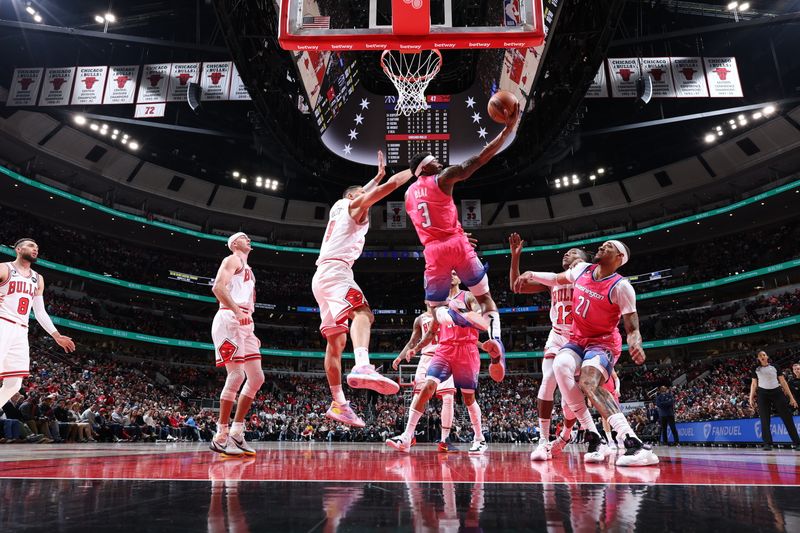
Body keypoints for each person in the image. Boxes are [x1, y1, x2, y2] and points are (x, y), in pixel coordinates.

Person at [405, 103, 520, 383]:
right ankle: (494, 339)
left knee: (434, 311)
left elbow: (428, 221)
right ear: (425, 168)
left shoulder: (408, 195)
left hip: (433, 251)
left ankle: (455, 316)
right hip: (457, 244)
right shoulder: (441, 178)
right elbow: (478, 160)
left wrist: (446, 234)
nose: (440, 163)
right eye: (435, 161)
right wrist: (507, 130)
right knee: (485, 298)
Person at [517, 240, 657, 466]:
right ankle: (593, 434)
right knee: (560, 367)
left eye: (608, 247)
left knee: (589, 383)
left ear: (619, 258)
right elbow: (555, 279)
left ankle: (633, 442)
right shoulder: (582, 269)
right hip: (577, 340)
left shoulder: (621, 287)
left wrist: (636, 344)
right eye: (602, 245)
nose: (602, 247)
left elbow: (632, 327)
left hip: (602, 344)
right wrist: (531, 273)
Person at [312, 150, 413, 428]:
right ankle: (362, 364)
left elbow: (367, 190)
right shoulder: (354, 206)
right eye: (361, 194)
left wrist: (377, 175)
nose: (365, 198)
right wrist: (414, 169)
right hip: (336, 272)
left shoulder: (339, 207)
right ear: (352, 197)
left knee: (335, 342)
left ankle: (339, 403)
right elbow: (387, 189)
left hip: (321, 276)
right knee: (363, 313)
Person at [509, 232, 590, 460]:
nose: (567, 253)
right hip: (557, 336)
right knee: (548, 379)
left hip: (581, 339)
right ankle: (543, 440)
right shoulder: (553, 281)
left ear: (583, 260)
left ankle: (565, 434)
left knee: (568, 400)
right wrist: (515, 257)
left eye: (573, 252)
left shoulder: (588, 278)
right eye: (567, 251)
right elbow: (517, 286)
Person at [387, 277, 489, 455]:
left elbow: (481, 318)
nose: (450, 275)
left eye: (455, 272)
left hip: (466, 349)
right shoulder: (438, 306)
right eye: (448, 272)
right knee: (427, 387)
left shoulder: (468, 296)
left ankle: (479, 438)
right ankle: (406, 436)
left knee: (468, 399)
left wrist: (461, 312)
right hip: (444, 350)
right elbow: (432, 332)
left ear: (458, 278)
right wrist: (416, 349)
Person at [0, 238, 76, 410]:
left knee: (13, 384)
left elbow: (40, 311)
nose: (35, 249)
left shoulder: (37, 278)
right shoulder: (4, 268)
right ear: (18, 249)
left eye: (37, 247)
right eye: (31, 246)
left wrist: (56, 335)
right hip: (2, 323)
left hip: (21, 331)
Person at [209, 232, 265, 457]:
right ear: (234, 244)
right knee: (236, 375)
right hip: (229, 319)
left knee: (257, 377)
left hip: (245, 323)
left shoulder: (250, 272)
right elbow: (217, 289)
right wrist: (235, 311)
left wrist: (250, 329)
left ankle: (237, 432)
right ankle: (220, 435)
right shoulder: (232, 259)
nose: (249, 239)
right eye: (244, 237)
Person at [749, 350, 800, 451]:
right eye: (760, 356)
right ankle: (767, 443)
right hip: (763, 394)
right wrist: (751, 398)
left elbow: (783, 382)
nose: (762, 357)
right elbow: (754, 384)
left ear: (767, 356)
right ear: (758, 359)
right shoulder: (755, 368)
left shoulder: (775, 367)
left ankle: (797, 442)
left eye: (764, 355)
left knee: (787, 417)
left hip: (777, 392)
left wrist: (791, 398)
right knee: (764, 419)